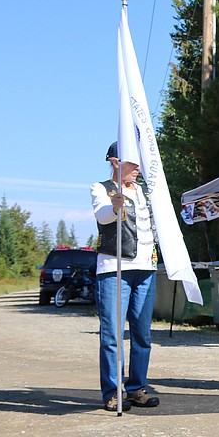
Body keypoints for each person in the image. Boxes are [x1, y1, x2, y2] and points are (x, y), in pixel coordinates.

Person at [91, 142, 160, 412]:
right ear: (116, 162)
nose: (138, 167)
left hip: (146, 268)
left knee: (142, 334)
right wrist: (115, 207)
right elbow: (102, 215)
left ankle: (136, 388)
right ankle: (112, 392)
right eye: (133, 162)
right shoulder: (101, 188)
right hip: (114, 268)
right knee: (113, 335)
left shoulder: (146, 192)